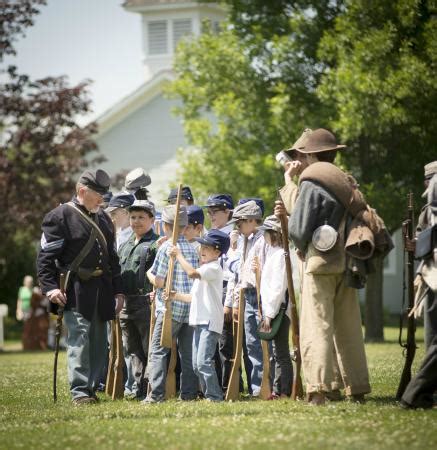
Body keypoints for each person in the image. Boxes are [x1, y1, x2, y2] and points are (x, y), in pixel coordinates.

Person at [287, 128, 371, 405]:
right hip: (349, 261)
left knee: (317, 326)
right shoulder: (345, 180)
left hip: (321, 263)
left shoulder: (312, 182)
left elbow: (298, 229)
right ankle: (355, 388)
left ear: (311, 154)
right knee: (348, 328)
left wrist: (299, 243)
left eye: (303, 153)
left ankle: (319, 389)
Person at [37, 169, 125, 405]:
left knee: (99, 342)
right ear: (82, 191)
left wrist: (118, 291)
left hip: (102, 289)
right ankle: (80, 391)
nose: (102, 200)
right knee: (80, 338)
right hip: (74, 289)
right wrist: (50, 287)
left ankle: (92, 388)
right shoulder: (59, 216)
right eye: (98, 194)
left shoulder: (105, 218)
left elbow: (112, 259)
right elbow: (45, 258)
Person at [145, 205, 199, 403]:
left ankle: (156, 395)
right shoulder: (193, 250)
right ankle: (189, 394)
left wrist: (148, 274)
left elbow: (159, 281)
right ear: (185, 228)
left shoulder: (166, 249)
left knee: (158, 351)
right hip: (189, 308)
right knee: (187, 354)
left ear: (165, 227)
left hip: (169, 309)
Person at [169, 229, 230, 402]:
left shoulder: (213, 268)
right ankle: (209, 394)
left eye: (207, 247)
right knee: (196, 365)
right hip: (199, 321)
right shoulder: (205, 269)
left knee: (203, 362)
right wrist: (174, 295)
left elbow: (191, 273)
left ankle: (215, 397)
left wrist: (179, 255)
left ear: (217, 252)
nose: (201, 249)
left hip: (210, 322)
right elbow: (192, 298)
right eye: (201, 245)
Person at [400, 162, 437, 409]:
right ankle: (416, 393)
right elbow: (425, 236)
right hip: (431, 274)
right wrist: (416, 243)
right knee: (432, 338)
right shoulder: (428, 209)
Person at [118, 199, 159, 400]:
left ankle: (150, 388)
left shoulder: (156, 244)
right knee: (132, 350)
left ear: (152, 219)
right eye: (133, 217)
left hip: (146, 302)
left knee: (148, 348)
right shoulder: (125, 245)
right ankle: (137, 388)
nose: (136, 221)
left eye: (141, 217)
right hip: (126, 303)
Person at [226, 200, 264, 396]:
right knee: (251, 343)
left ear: (251, 220)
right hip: (246, 293)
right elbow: (238, 271)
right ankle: (256, 388)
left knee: (263, 341)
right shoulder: (244, 240)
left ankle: (266, 385)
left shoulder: (264, 238)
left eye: (240, 222)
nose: (237, 226)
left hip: (261, 293)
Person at [255, 215, 293, 398]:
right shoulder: (274, 253)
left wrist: (269, 314)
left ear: (274, 234)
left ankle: (284, 390)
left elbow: (278, 288)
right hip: (273, 308)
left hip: (279, 309)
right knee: (277, 352)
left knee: (282, 353)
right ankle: (278, 389)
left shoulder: (280, 255)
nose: (264, 237)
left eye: (266, 233)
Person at [21, 285, 50, 351]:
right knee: (32, 331)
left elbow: (46, 305)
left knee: (43, 331)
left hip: (42, 315)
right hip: (35, 315)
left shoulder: (46, 292)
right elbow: (33, 303)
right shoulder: (35, 293)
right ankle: (32, 346)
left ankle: (43, 346)